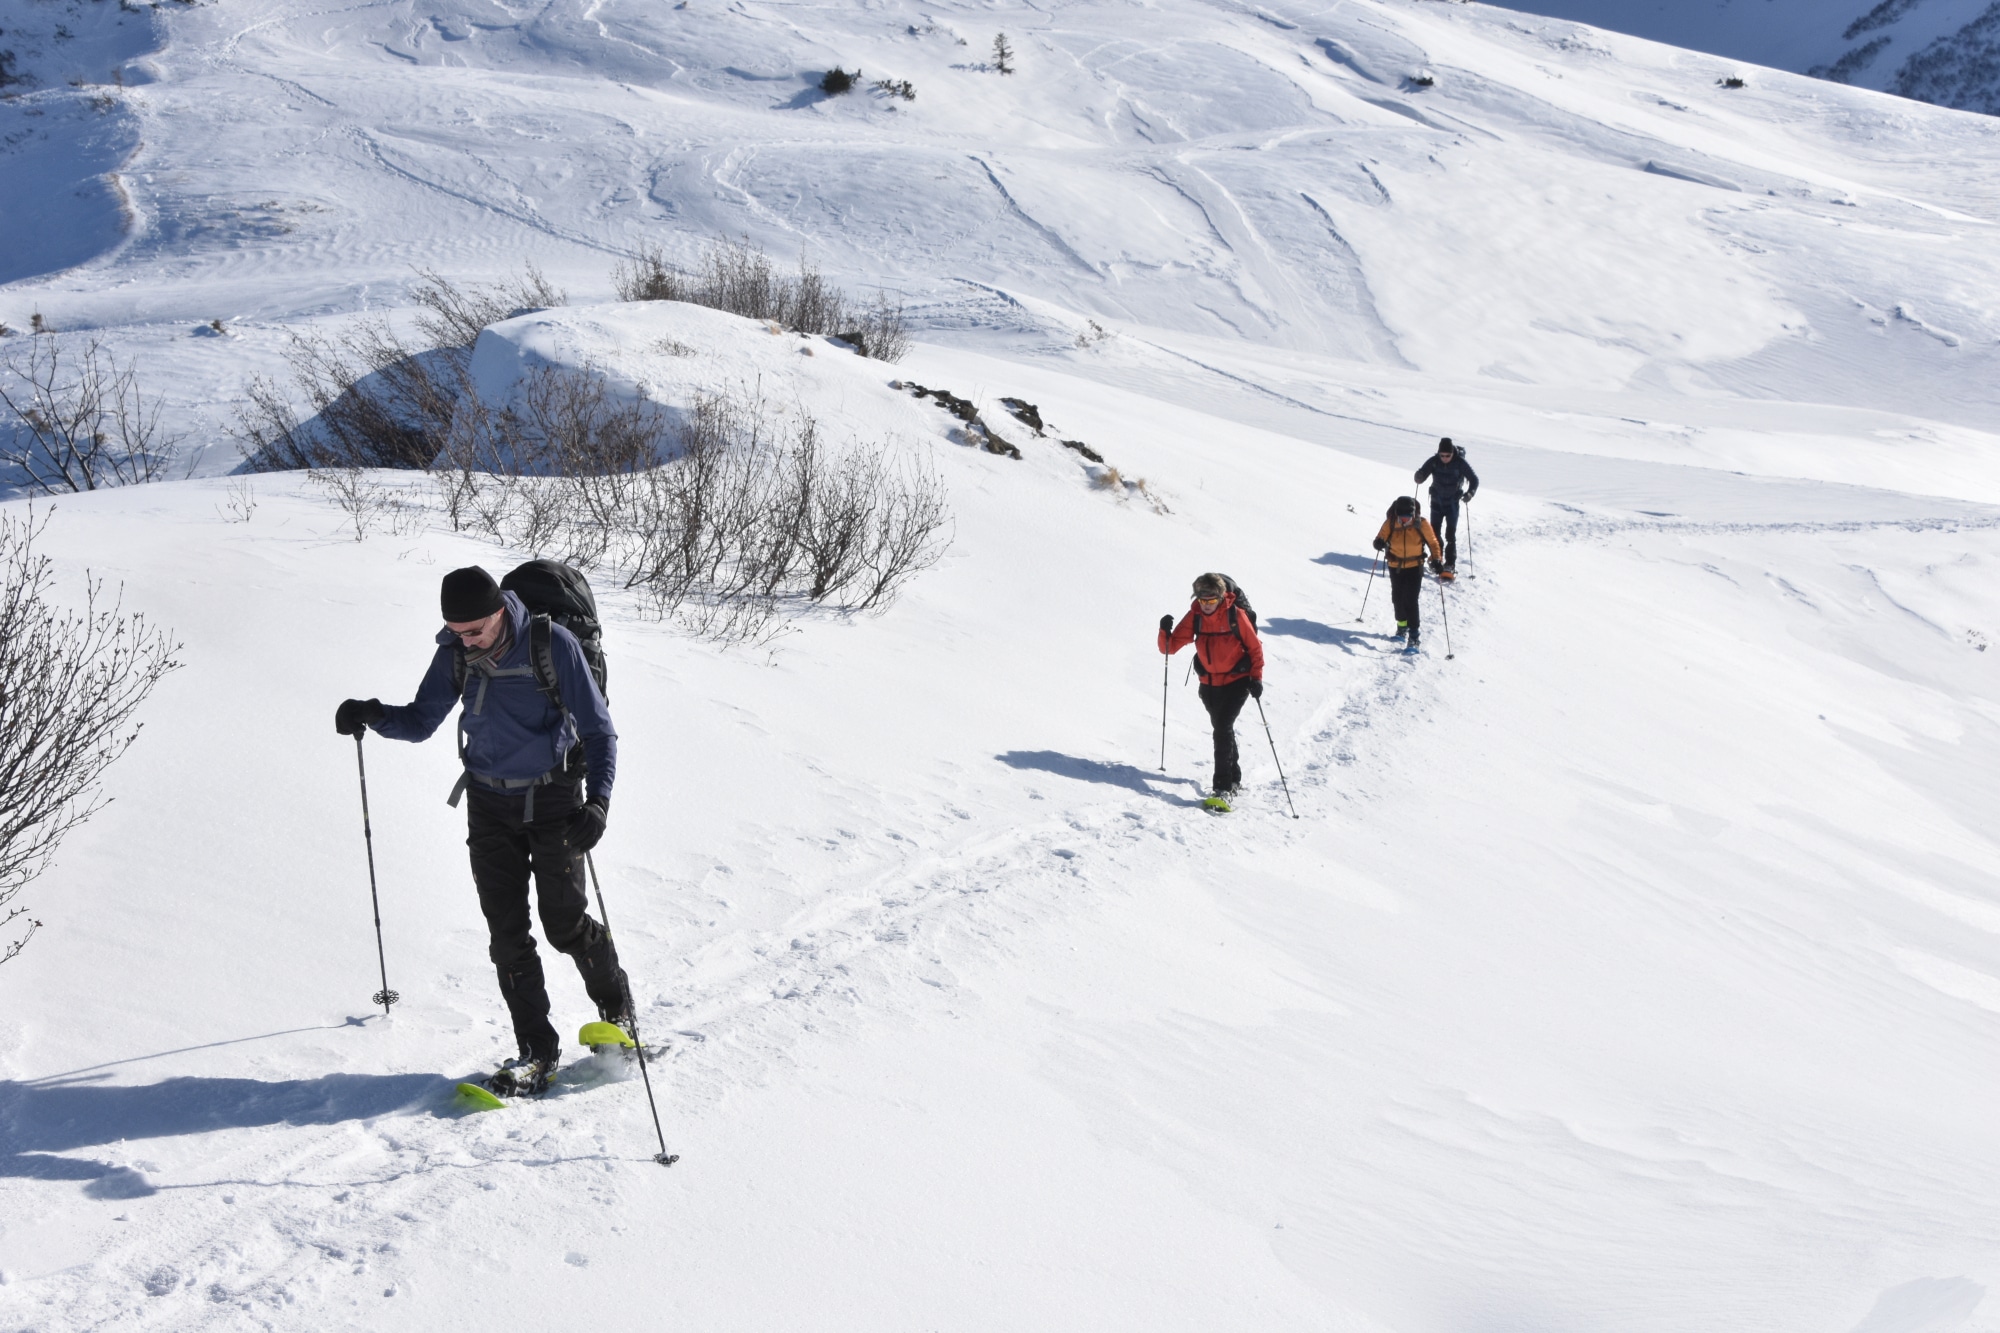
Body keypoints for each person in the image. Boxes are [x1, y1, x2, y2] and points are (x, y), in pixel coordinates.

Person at [335, 566, 626, 1096]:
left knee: (563, 923)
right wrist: (371, 715)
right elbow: (423, 721)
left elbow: (600, 730)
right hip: (489, 803)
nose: (464, 642)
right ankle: (538, 1051)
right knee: (506, 935)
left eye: (473, 631)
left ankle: (619, 1013)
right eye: (454, 631)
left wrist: (600, 803)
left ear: (499, 612)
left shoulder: (552, 644)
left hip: (554, 797)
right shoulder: (454, 652)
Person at [1159, 573, 1265, 797]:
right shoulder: (1195, 616)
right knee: (1222, 729)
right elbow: (1169, 648)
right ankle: (1234, 777)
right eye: (1202, 600)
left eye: (1211, 600)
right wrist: (1164, 631)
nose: (1206, 605)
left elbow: (1255, 648)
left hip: (1238, 681)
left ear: (1220, 597)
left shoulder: (1235, 615)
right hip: (1208, 685)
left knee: (1222, 729)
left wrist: (1256, 679)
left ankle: (1222, 788)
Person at [1373, 497, 1442, 649]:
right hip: (1395, 565)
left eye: (1408, 516)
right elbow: (1380, 537)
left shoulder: (1421, 523)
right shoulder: (1391, 522)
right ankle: (1401, 627)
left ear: (1413, 514)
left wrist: (1436, 559)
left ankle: (1414, 635)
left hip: (1415, 567)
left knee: (1410, 600)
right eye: (1402, 517)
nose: (1405, 520)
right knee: (1397, 599)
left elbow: (1433, 543)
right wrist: (1378, 543)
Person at [1413, 437, 1478, 574]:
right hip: (1436, 502)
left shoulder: (1460, 463)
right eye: (1442, 455)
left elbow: (1474, 479)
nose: (1444, 458)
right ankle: (1437, 559)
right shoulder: (1434, 461)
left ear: (1453, 453)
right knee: (1434, 533)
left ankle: (1450, 564)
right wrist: (1418, 477)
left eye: (1447, 455)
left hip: (1452, 504)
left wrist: (1470, 494)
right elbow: (1422, 474)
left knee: (1450, 534)